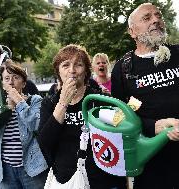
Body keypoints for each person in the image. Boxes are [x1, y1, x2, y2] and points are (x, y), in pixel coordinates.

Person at [111, 3, 179, 189]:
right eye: (147, 18)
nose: (156, 20)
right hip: (150, 162)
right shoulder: (123, 68)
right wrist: (153, 126)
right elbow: (118, 118)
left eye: (158, 15)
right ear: (132, 31)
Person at [37, 44, 127, 189]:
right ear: (58, 72)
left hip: (101, 180)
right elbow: (45, 143)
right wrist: (63, 102)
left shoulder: (99, 99)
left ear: (86, 71)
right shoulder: (49, 103)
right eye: (65, 65)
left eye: (78, 65)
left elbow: (120, 137)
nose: (72, 70)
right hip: (66, 180)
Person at [0, 60, 48, 188]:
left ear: (24, 83)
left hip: (33, 167)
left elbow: (36, 125)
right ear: (2, 83)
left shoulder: (35, 100)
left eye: (16, 77)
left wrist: (18, 102)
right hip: (5, 171)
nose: (11, 81)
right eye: (6, 78)